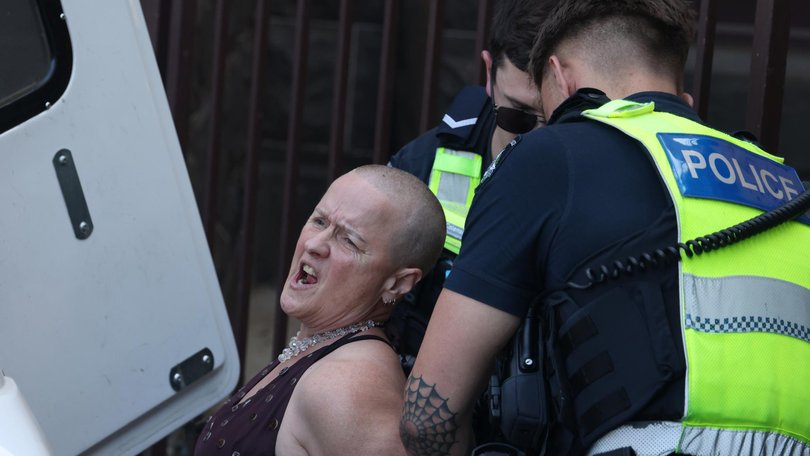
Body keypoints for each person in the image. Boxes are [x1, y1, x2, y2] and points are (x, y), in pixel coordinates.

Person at [401, 1, 810, 455]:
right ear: (683, 96)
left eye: (541, 112)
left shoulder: (552, 156)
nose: (540, 130)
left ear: (560, 76)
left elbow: (427, 420)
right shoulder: (785, 185)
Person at [386, 0, 607, 373]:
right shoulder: (422, 165)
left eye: (557, 122)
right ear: (488, 73)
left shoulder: (614, 175)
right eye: (519, 115)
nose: (539, 141)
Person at [195, 165, 445, 455]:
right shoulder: (325, 349)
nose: (314, 244)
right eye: (319, 221)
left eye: (348, 240)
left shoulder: (347, 386)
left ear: (398, 283)